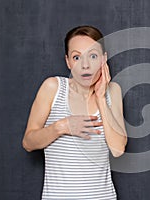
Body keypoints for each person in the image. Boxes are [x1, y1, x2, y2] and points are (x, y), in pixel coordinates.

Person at [22, 25, 127, 199]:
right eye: (77, 57)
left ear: (103, 59)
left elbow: (118, 149)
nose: (85, 65)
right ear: (68, 61)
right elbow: (28, 143)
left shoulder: (113, 91)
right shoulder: (53, 87)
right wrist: (61, 127)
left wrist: (101, 98)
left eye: (92, 56)